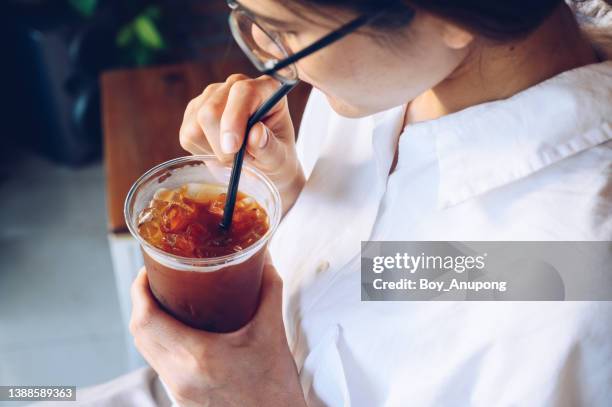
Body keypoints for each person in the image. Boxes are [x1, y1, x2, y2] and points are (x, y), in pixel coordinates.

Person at [38, 0, 612, 406]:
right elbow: (382, 278)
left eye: (281, 28)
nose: (266, 59)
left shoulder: (569, 283)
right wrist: (287, 189)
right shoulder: (394, 83)